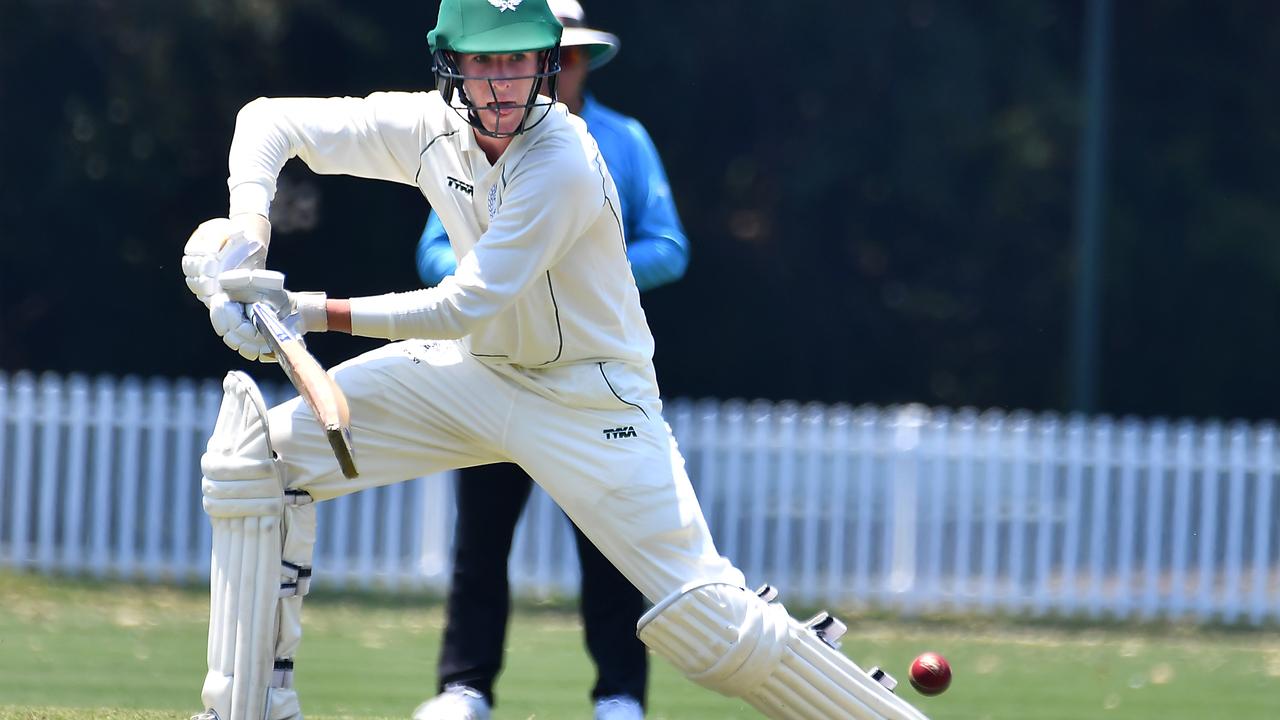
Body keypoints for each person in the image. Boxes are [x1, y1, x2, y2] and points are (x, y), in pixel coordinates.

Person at [179, 2, 930, 720]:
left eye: (518, 61)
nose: (502, 83)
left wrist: (303, 311)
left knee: (707, 624)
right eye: (483, 63)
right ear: (452, 66)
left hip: (591, 399)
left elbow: (461, 303)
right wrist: (250, 234)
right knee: (257, 465)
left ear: (545, 64)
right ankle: (251, 704)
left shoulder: (563, 155)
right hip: (474, 375)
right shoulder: (425, 128)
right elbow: (266, 120)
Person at [411, 1, 686, 718]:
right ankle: (465, 688)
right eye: (541, 55)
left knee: (612, 540)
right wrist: (493, 272)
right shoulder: (470, 140)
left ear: (582, 61)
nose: (551, 69)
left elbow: (670, 246)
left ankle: (620, 696)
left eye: (565, 56)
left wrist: (572, 262)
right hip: (495, 366)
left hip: (588, 375)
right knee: (480, 543)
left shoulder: (623, 140)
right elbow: (432, 246)